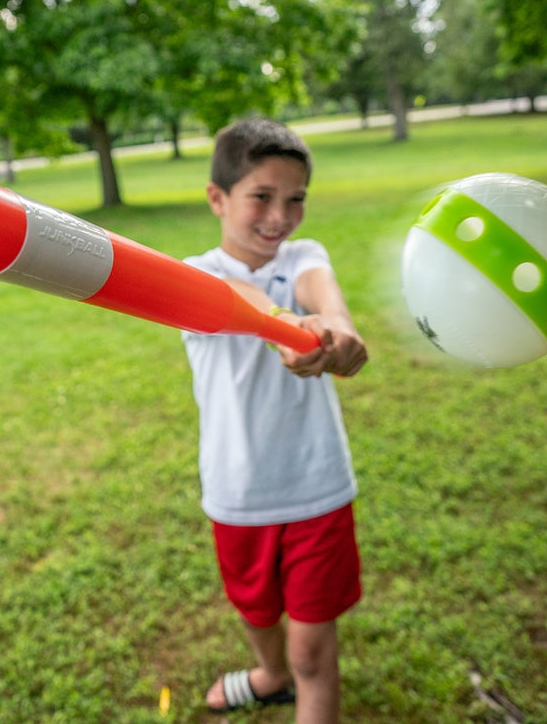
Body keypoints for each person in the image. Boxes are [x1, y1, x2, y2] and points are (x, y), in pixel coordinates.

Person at [181, 118, 368, 722]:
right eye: (261, 196)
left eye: (295, 201)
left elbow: (324, 293)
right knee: (256, 611)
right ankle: (269, 674)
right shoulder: (196, 275)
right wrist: (287, 327)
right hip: (238, 493)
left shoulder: (303, 255)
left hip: (316, 489)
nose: (280, 217)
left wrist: (337, 331)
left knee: (315, 651)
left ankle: (295, 674)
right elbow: (248, 305)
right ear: (218, 197)